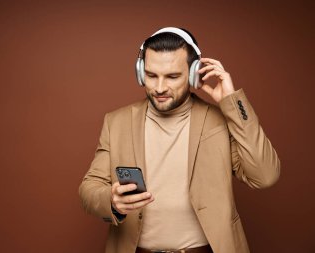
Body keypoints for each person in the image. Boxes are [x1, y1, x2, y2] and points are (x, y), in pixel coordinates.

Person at [79, 27, 280, 253]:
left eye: (173, 76)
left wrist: (232, 104)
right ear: (140, 72)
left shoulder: (220, 121)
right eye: (151, 75)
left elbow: (265, 176)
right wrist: (111, 199)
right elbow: (89, 188)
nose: (160, 87)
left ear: (194, 74)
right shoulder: (116, 122)